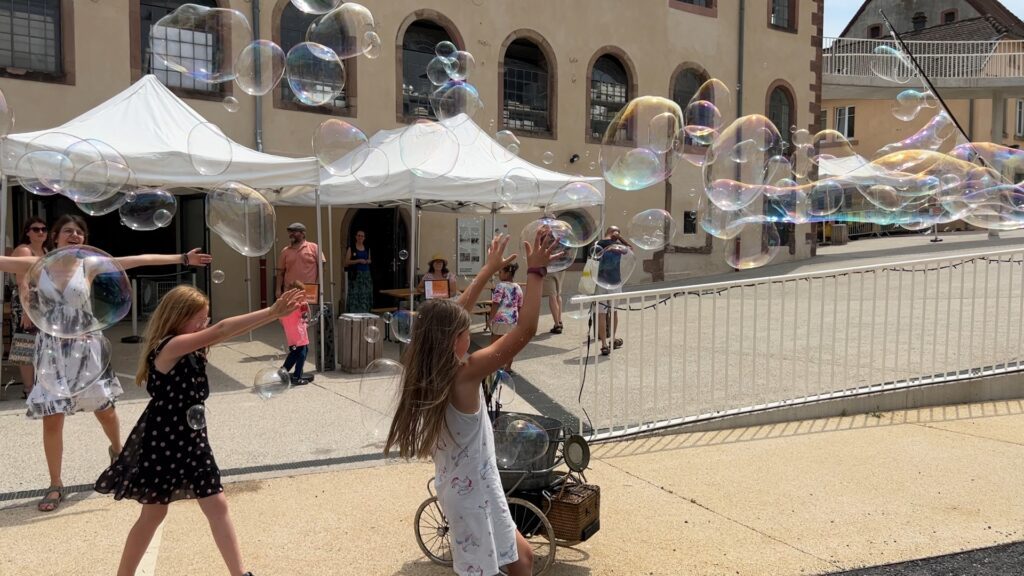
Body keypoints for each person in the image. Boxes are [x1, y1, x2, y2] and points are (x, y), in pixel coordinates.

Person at [0, 214, 213, 513]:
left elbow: (139, 259)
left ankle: (117, 451)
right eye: (68, 231)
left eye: (79, 232)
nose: (74, 235)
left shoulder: (90, 265)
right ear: (56, 238)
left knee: (104, 410)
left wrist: (182, 257)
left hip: (86, 347)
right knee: (53, 417)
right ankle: (55, 483)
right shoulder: (38, 265)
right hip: (52, 351)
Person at [95, 285, 305, 576]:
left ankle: (239, 574)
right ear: (178, 316)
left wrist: (274, 316)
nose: (205, 324)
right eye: (200, 319)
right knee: (153, 513)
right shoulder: (168, 347)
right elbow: (221, 330)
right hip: (163, 438)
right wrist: (272, 311)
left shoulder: (192, 347)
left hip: (192, 437)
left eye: (206, 319)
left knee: (216, 504)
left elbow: (227, 332)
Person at [385, 232, 559, 576]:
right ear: (455, 340)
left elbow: (448, 319)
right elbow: (524, 329)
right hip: (471, 495)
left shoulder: (429, 368)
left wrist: (488, 269)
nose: (472, 333)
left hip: (472, 486)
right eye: (467, 331)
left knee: (522, 560)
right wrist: (536, 271)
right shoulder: (464, 373)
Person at [10, 217, 49, 398]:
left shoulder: (47, 251)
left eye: (43, 229)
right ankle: (28, 389)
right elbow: (22, 281)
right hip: (27, 301)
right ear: (27, 232)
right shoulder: (24, 250)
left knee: (43, 344)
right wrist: (27, 310)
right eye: (36, 229)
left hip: (45, 303)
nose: (41, 232)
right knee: (24, 345)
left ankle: (41, 385)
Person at [596, 226, 631, 356]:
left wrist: (617, 239)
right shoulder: (614, 245)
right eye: (618, 232)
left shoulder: (600, 244)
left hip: (601, 282)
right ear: (612, 233)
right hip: (614, 282)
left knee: (602, 313)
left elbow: (629, 250)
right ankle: (610, 340)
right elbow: (631, 249)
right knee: (613, 312)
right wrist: (619, 238)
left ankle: (605, 343)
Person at [276, 222, 325, 300]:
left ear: (302, 233)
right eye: (290, 232)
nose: (291, 234)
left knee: (308, 311)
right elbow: (280, 272)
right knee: (291, 311)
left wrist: (317, 284)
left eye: (294, 232)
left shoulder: (314, 247)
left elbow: (322, 266)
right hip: (290, 289)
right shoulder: (285, 251)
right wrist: (278, 289)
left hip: (309, 288)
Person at [490, 262, 523, 373]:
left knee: (495, 345)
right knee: (510, 346)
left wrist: (490, 319)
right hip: (513, 319)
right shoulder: (518, 287)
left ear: (507, 273)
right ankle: (508, 367)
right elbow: (520, 305)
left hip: (500, 319)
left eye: (500, 272)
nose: (499, 274)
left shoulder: (500, 286)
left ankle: (495, 365)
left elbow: (495, 303)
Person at [279, 280, 312, 385]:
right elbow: (306, 318)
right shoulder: (301, 305)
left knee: (294, 353)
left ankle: (283, 370)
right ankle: (297, 377)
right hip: (299, 335)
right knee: (302, 354)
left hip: (291, 335)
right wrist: (307, 307)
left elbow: (281, 319)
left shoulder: (286, 305)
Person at [343, 229, 373, 313]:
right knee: (355, 294)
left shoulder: (367, 247)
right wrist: (358, 260)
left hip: (366, 275)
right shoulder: (351, 247)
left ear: (364, 238)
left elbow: (370, 260)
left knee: (365, 293)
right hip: (356, 275)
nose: (360, 237)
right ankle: (354, 311)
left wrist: (367, 261)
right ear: (356, 237)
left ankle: (365, 310)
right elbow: (346, 262)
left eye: (362, 236)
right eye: (359, 235)